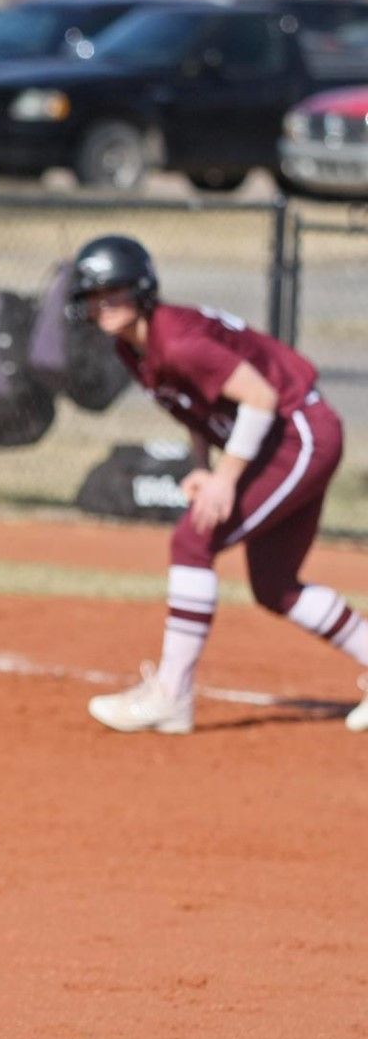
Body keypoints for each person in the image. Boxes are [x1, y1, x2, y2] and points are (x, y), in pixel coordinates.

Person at [70, 235, 368, 736]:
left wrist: (226, 480)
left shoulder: (178, 341)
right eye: (92, 295)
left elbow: (259, 396)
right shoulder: (134, 347)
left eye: (112, 292)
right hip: (279, 437)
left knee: (193, 540)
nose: (101, 304)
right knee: (275, 585)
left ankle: (172, 693)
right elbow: (196, 406)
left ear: (140, 290)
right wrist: (201, 465)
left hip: (298, 434)